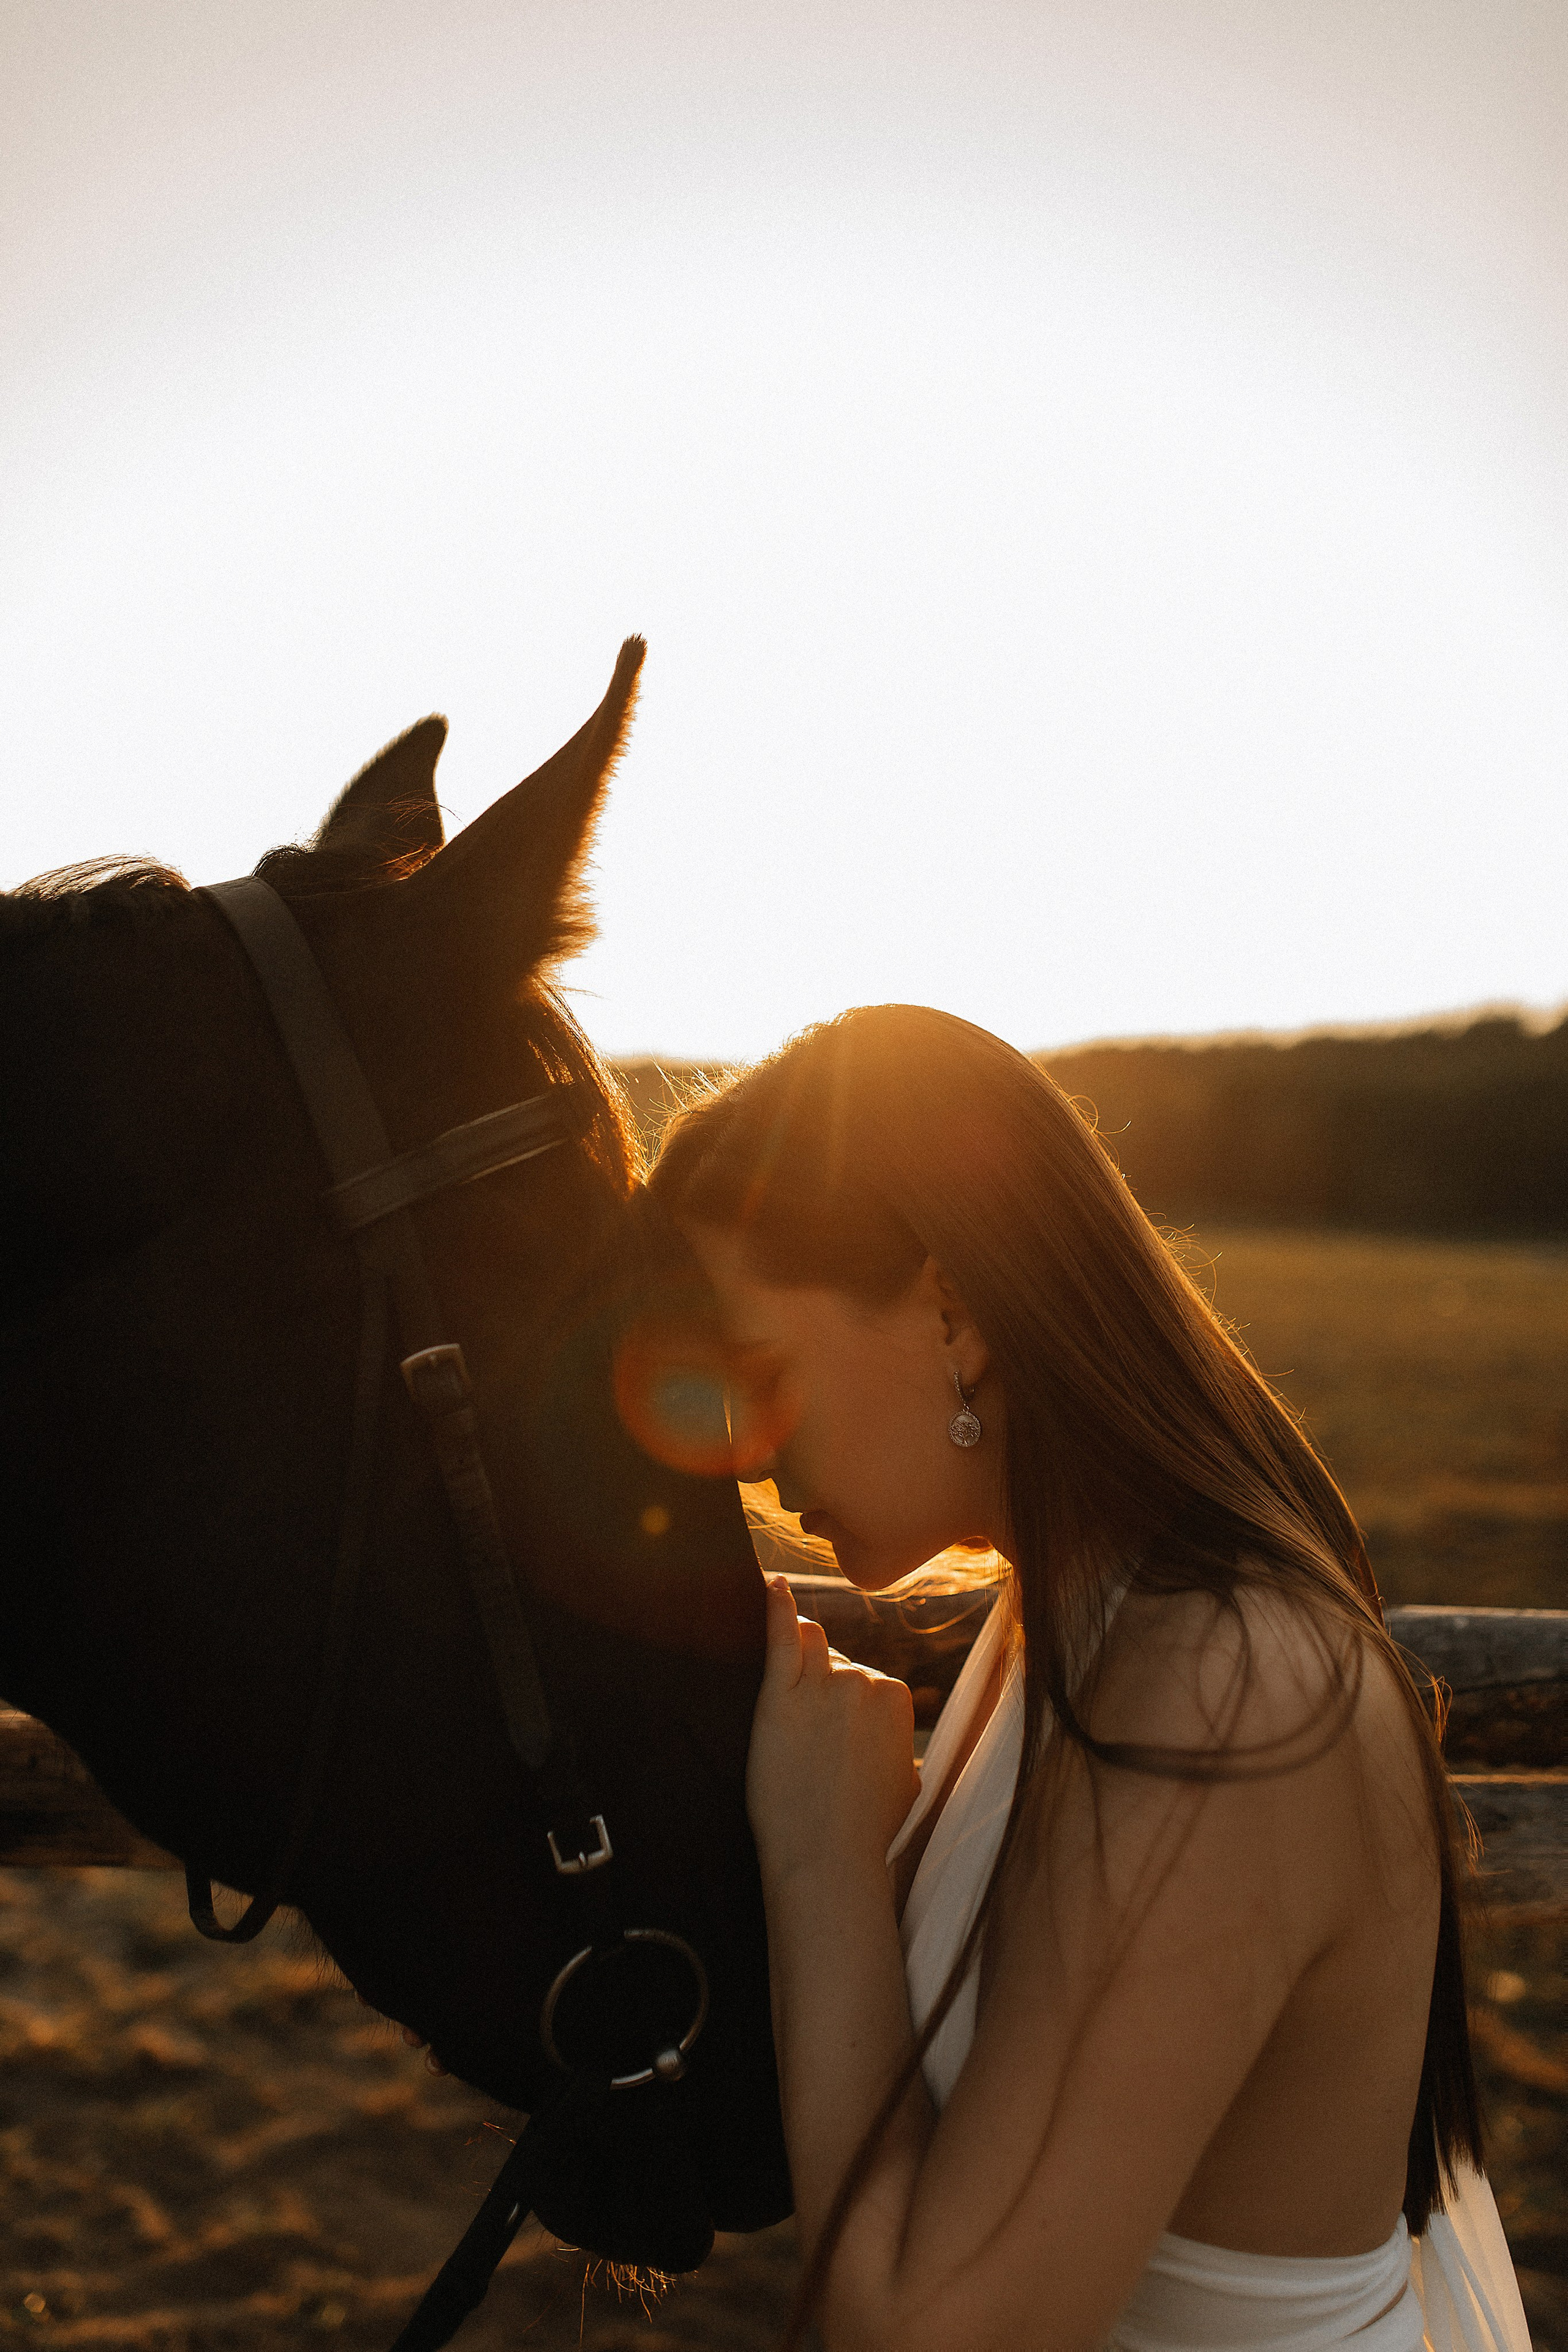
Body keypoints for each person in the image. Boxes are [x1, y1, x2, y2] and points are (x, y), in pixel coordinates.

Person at [647, 1005, 1529, 2352]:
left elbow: (917, 2337)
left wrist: (824, 1873)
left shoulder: (1223, 1699)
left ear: (954, 1308)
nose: (744, 1452)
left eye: (758, 1369)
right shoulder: (1052, 1618)